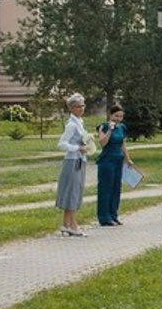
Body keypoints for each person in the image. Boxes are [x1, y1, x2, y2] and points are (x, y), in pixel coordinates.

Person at [55, 92, 91, 237]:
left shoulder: (80, 122)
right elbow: (61, 144)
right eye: (77, 106)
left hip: (80, 160)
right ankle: (73, 224)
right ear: (71, 108)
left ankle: (67, 224)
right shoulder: (71, 125)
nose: (81, 109)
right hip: (73, 161)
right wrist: (77, 148)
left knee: (76, 190)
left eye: (82, 106)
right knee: (72, 191)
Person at [95, 103, 134, 227]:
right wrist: (110, 131)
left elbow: (122, 144)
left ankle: (113, 215)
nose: (118, 119)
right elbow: (102, 143)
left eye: (121, 116)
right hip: (107, 160)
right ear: (110, 115)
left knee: (116, 188)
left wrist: (128, 159)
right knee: (106, 188)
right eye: (116, 116)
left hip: (118, 159)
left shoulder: (122, 127)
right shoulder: (104, 126)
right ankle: (104, 217)